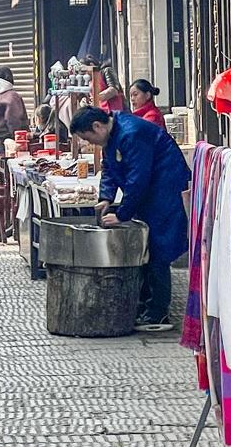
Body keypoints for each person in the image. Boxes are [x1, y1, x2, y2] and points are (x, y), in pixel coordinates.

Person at [70, 106, 191, 332]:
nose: (93, 143)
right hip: (148, 192)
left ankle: (157, 312)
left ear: (97, 126)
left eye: (90, 138)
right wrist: (106, 197)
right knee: (144, 249)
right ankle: (143, 303)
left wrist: (122, 214)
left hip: (164, 189)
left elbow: (138, 178)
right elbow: (109, 168)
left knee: (157, 249)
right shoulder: (112, 133)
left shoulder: (131, 133)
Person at [0, 66, 30, 184]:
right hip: (5, 140)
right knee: (10, 173)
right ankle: (5, 199)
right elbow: (13, 121)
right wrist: (20, 136)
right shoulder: (12, 95)